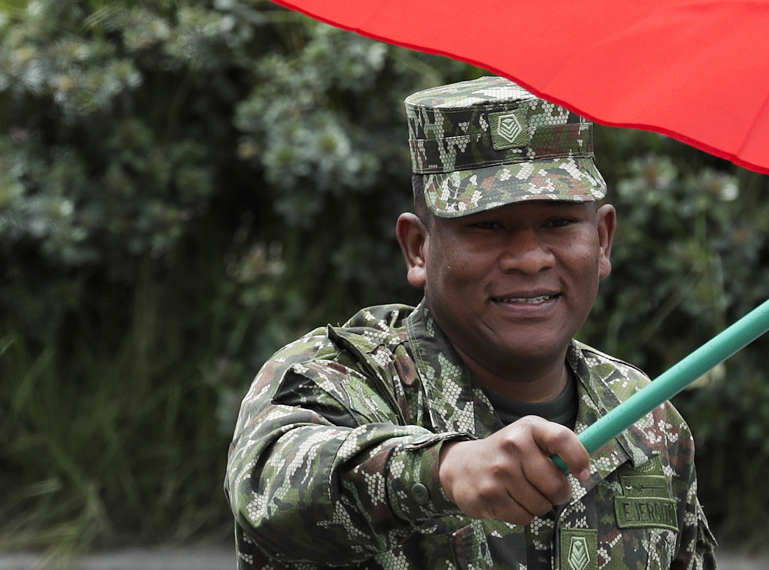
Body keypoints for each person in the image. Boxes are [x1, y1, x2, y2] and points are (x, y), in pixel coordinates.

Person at [225, 76, 717, 570]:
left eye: (559, 222)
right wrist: (445, 470)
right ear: (418, 247)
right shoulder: (341, 378)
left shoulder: (645, 417)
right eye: (487, 225)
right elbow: (270, 487)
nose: (528, 259)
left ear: (603, 239)